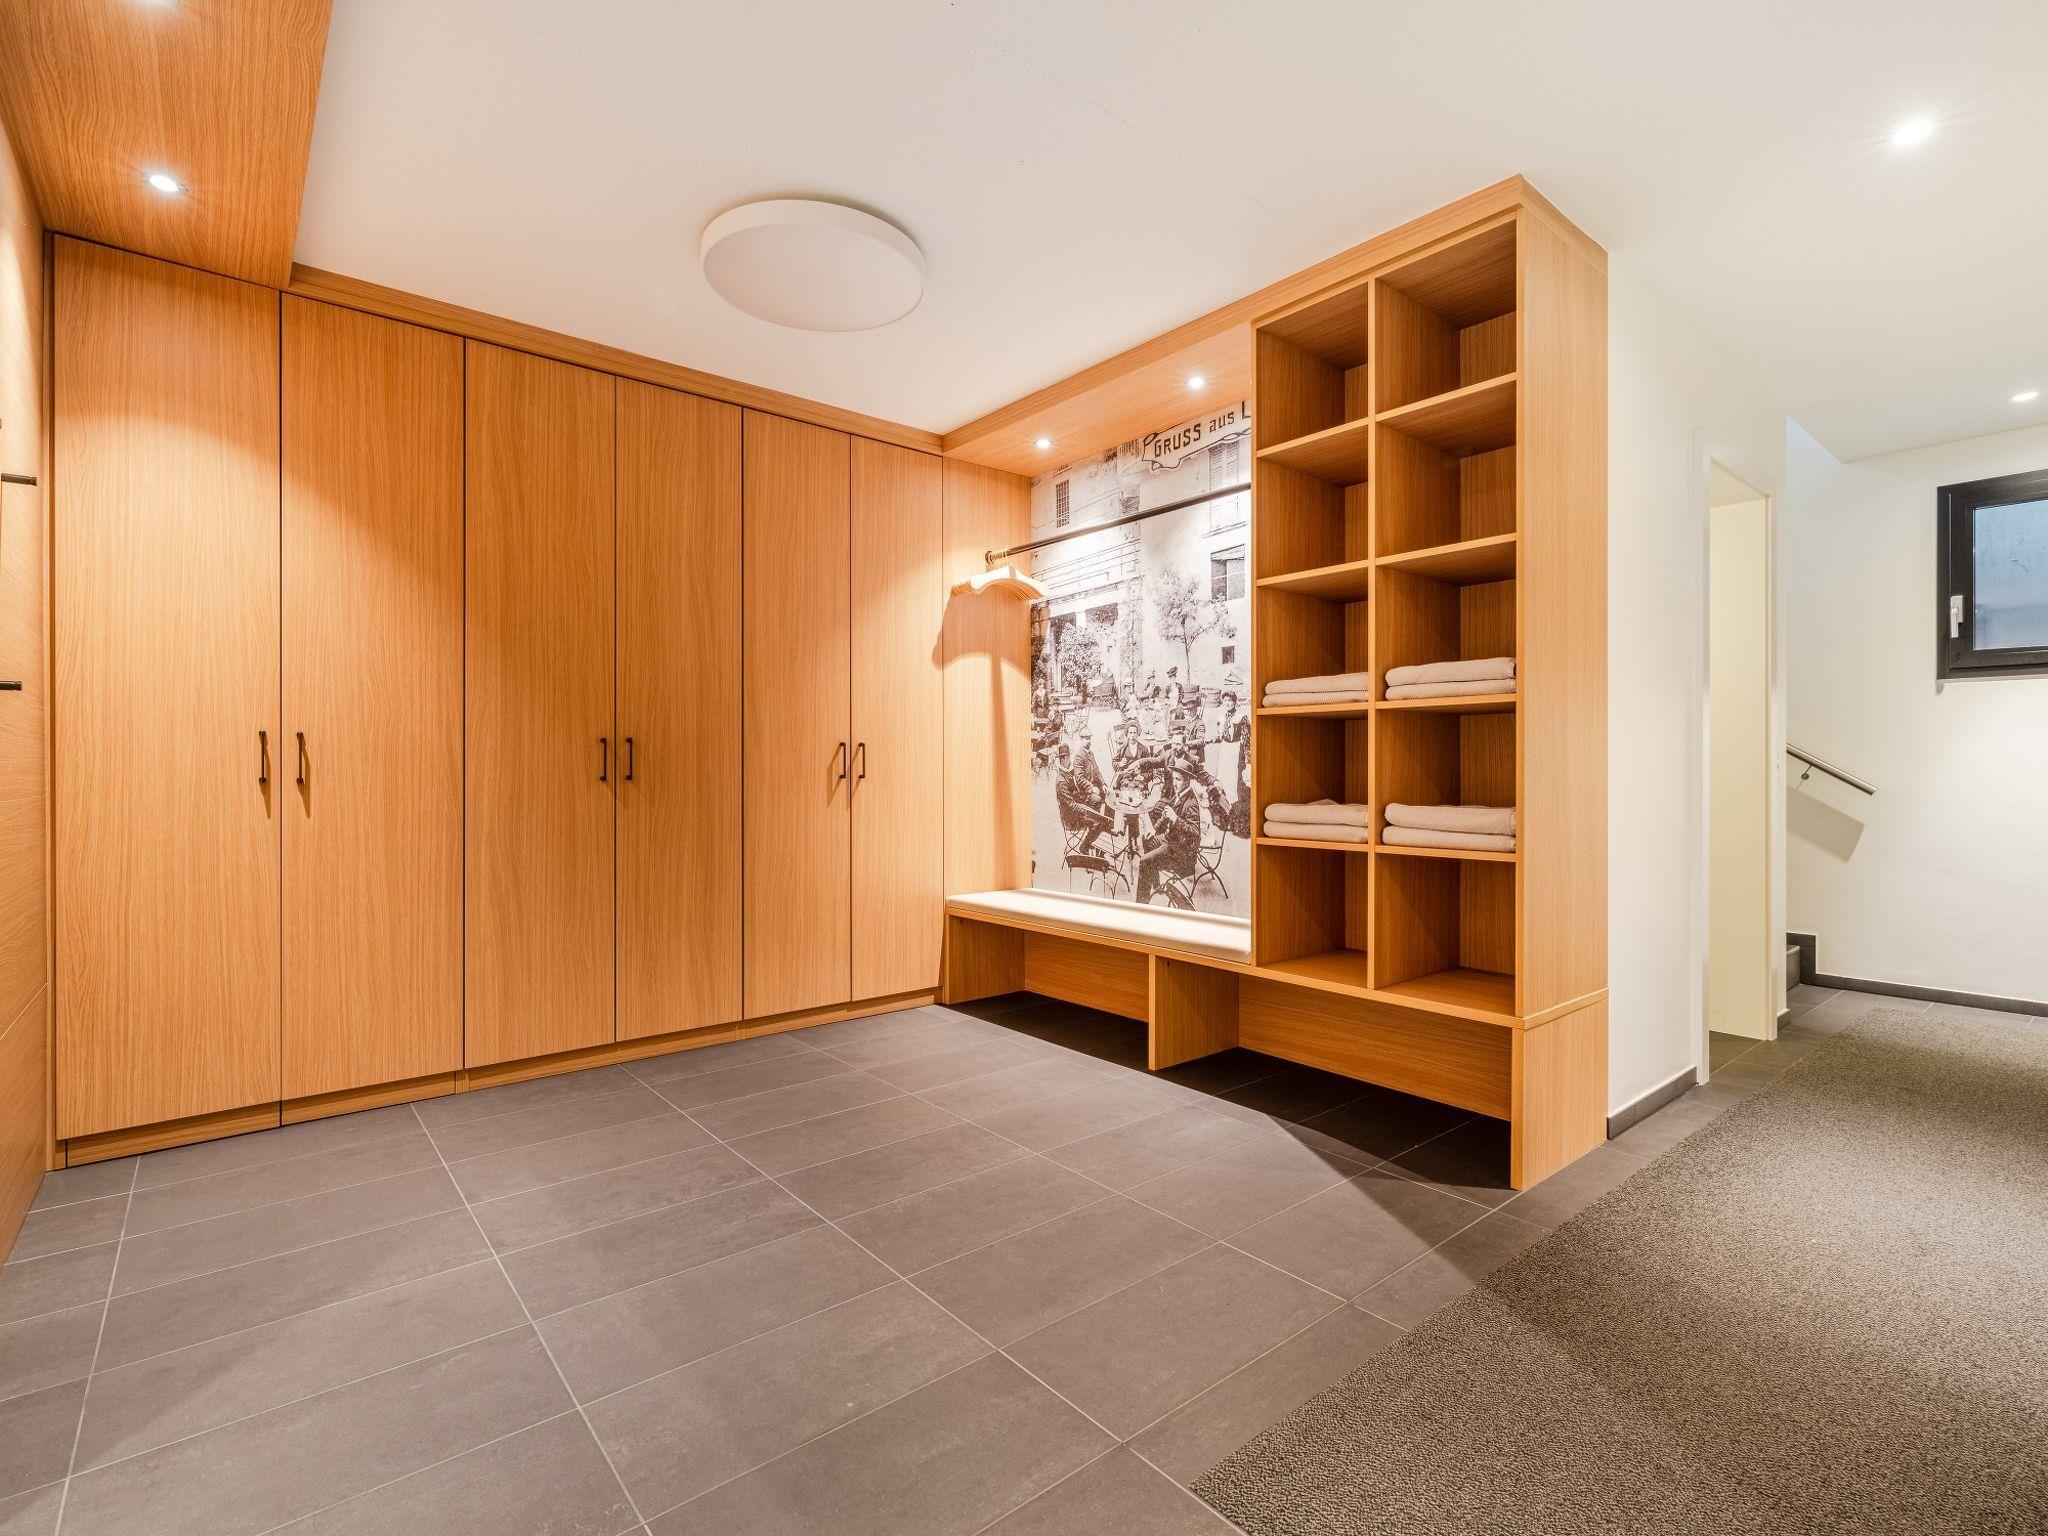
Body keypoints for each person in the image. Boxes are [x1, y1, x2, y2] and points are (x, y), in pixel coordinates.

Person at [1135, 759, 1202, 908]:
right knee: (1146, 839)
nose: (1175, 783)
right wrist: (1154, 829)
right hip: (1170, 841)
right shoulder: (1179, 794)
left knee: (1144, 861)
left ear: (1187, 781)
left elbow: (1195, 832)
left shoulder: (1190, 803)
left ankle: (1140, 906)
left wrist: (1176, 819)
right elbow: (1166, 813)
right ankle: (1156, 884)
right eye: (1174, 779)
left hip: (1180, 852)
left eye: (1178, 780)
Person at [1053, 739, 1113, 857]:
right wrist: (1087, 812)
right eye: (1068, 758)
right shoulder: (1061, 781)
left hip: (1076, 807)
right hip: (1071, 817)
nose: (1070, 760)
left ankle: (1094, 836)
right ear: (1062, 760)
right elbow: (1071, 805)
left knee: (1097, 802)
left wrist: (1090, 794)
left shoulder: (1067, 772)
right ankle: (1085, 846)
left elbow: (1076, 793)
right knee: (1097, 822)